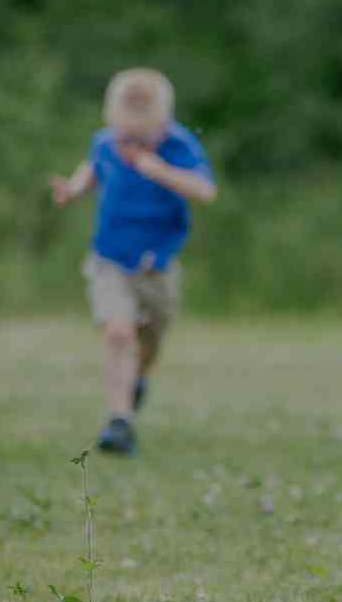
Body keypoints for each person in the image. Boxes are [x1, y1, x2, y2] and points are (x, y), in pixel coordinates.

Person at [49, 68, 217, 457]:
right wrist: (73, 189)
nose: (132, 144)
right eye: (126, 135)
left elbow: (205, 191)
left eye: (142, 138)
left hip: (158, 265)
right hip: (110, 259)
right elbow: (93, 167)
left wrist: (156, 169)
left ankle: (137, 379)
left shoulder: (177, 145)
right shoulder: (106, 143)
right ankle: (119, 421)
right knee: (118, 332)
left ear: (163, 124)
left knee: (151, 341)